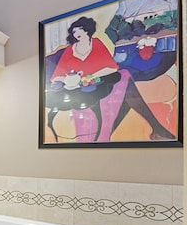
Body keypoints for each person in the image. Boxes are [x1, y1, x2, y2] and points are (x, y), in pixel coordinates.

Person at [47, 16, 175, 142]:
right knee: (126, 87)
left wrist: (91, 76)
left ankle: (155, 130)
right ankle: (157, 129)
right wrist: (73, 79)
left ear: (88, 30)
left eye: (80, 30)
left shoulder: (96, 43)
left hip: (98, 84)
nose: (77, 33)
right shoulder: (70, 50)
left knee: (124, 75)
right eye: (74, 31)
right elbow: (56, 77)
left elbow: (111, 67)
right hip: (79, 91)